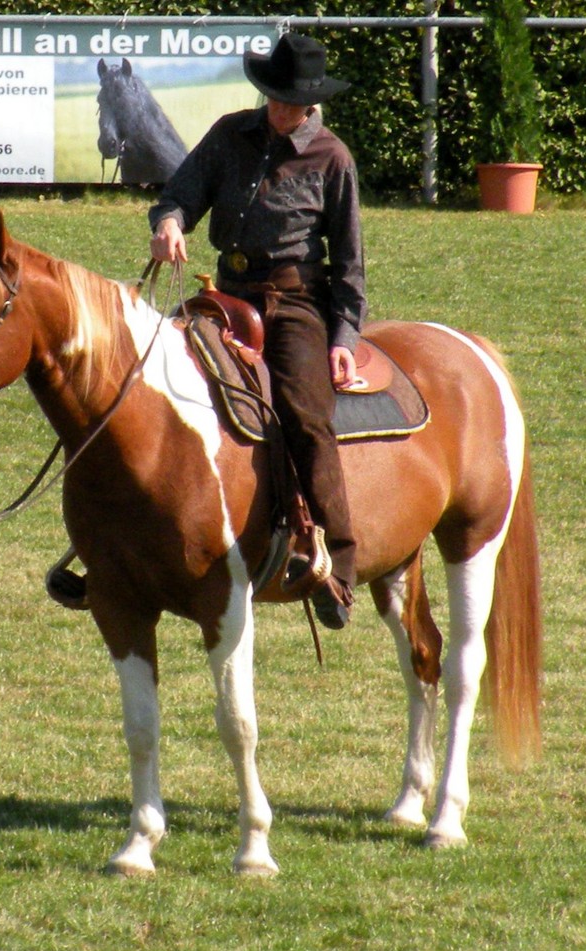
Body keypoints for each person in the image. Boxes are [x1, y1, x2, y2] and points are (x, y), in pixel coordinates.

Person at [148, 33, 365, 629]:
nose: (277, 109)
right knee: (153, 375)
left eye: (289, 102)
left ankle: (337, 566)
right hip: (223, 293)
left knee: (302, 413)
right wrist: (168, 222)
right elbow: (180, 195)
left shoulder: (332, 159)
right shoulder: (228, 134)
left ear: (312, 103)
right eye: (271, 97)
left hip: (294, 302)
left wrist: (342, 339)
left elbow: (349, 265)